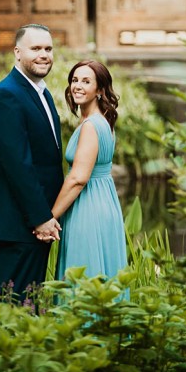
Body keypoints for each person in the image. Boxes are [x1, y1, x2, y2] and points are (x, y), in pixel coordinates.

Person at [0, 23, 64, 301]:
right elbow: (17, 165)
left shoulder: (41, 92)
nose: (44, 55)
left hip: (38, 221)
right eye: (36, 48)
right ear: (17, 52)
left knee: (31, 306)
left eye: (48, 49)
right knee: (15, 307)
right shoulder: (7, 95)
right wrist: (41, 217)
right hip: (19, 224)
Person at [49, 59, 128, 283]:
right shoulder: (101, 121)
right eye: (74, 80)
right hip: (104, 200)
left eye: (86, 81)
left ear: (100, 90)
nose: (78, 86)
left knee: (83, 275)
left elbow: (78, 178)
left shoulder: (92, 125)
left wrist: (50, 218)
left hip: (89, 207)